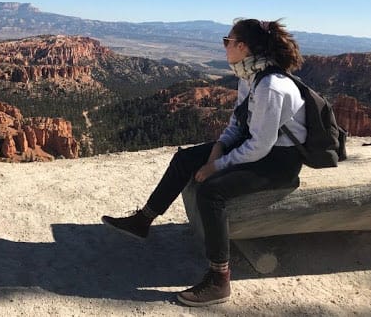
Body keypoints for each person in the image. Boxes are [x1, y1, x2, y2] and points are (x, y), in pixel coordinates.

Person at [102, 18, 306, 307]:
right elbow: (238, 124)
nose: (224, 47)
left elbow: (261, 145)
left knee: (211, 191)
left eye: (227, 41)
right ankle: (142, 220)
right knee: (184, 159)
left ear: (242, 47)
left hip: (279, 161)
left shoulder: (270, 86)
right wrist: (219, 147)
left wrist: (216, 166)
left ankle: (219, 280)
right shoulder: (250, 76)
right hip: (257, 148)